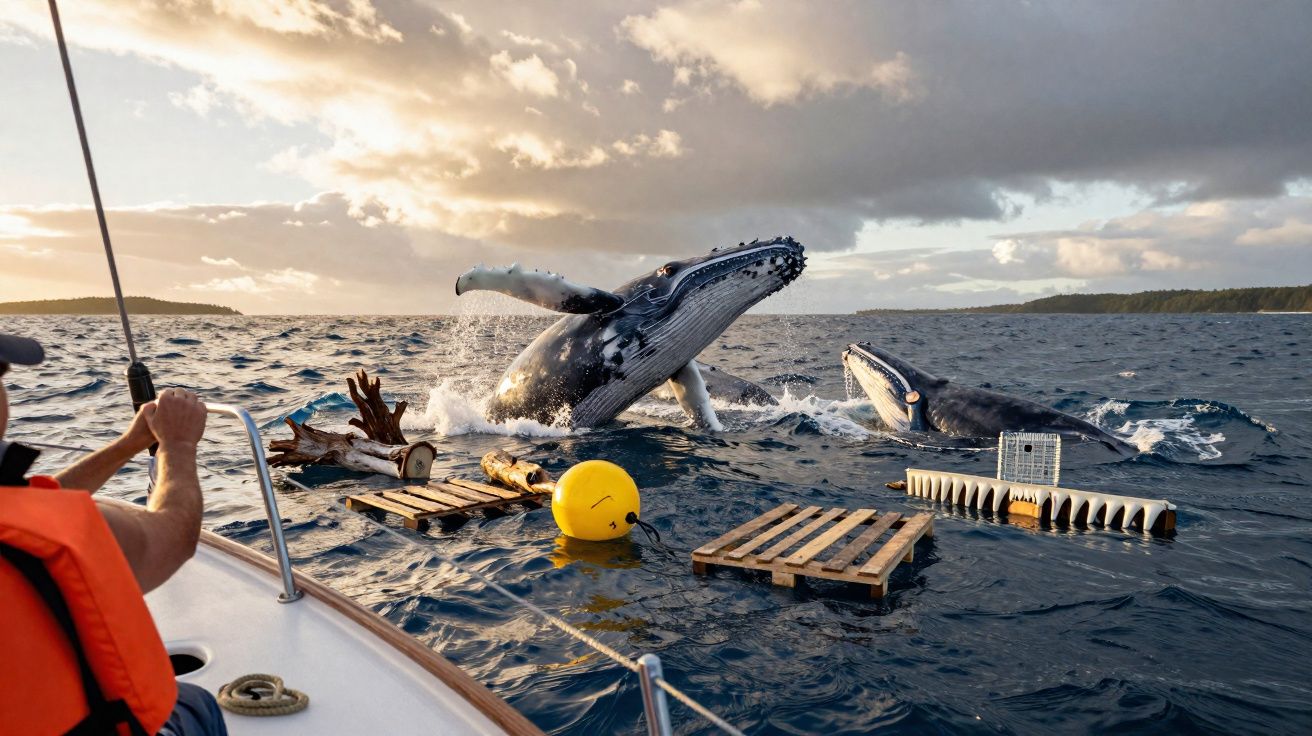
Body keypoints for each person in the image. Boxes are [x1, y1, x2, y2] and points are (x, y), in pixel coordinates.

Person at [0, 332, 228, 735]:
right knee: (198, 705)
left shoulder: (21, 516)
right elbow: (172, 538)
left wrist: (129, 444)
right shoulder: (40, 535)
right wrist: (178, 445)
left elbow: (40, 502)